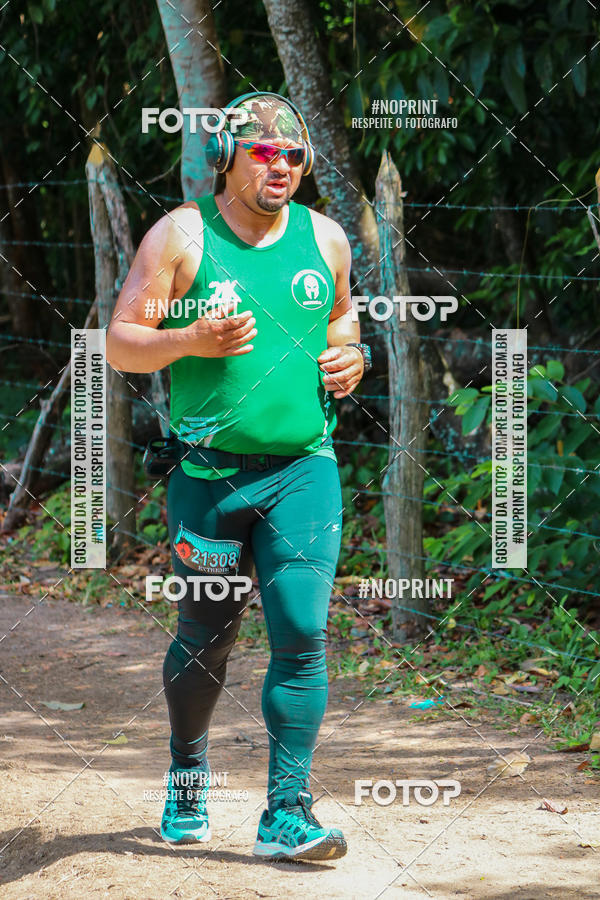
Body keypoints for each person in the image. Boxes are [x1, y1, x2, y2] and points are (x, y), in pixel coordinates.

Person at [106, 91, 372, 861]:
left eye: (293, 156)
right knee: (204, 642)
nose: (281, 167)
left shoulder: (325, 240)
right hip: (210, 478)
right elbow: (123, 342)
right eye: (263, 154)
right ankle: (187, 774)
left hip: (303, 471)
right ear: (227, 160)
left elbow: (343, 319)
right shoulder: (184, 236)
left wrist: (351, 355)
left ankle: (286, 814)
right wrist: (188, 337)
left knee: (303, 634)